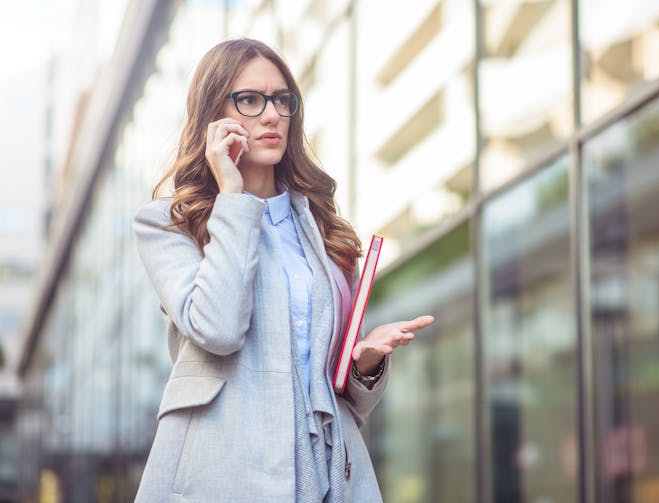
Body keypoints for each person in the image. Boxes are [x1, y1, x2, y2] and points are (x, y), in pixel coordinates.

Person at [132, 38, 434, 502]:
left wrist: (364, 364)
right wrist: (232, 197)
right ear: (214, 114)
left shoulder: (322, 230)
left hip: (327, 471)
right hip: (225, 470)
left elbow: (337, 396)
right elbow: (218, 328)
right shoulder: (169, 223)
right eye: (250, 100)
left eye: (282, 100)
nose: (272, 115)